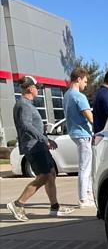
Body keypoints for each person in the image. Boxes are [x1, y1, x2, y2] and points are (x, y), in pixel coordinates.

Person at [6, 76, 74, 222]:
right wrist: (44, 139)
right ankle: (18, 204)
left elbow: (30, 125)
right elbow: (26, 125)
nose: (39, 90)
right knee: (43, 176)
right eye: (37, 87)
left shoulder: (27, 104)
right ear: (30, 88)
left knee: (51, 173)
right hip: (33, 146)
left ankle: (54, 207)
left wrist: (45, 139)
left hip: (39, 145)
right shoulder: (23, 105)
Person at [63, 67, 94, 207]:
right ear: (79, 79)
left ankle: (87, 194)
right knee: (85, 168)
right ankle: (83, 199)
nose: (86, 85)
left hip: (74, 133)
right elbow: (89, 116)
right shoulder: (79, 96)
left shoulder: (67, 95)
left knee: (85, 166)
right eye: (85, 81)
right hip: (83, 134)